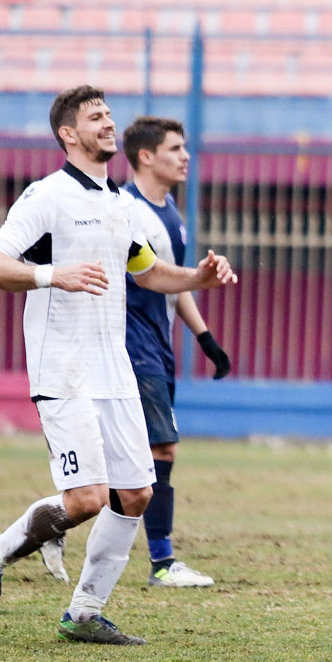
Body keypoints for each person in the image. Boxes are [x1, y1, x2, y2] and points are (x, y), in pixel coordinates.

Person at [0, 85, 237, 645]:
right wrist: (50, 274)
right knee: (87, 498)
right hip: (63, 369)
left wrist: (198, 279)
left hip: (115, 372)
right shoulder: (47, 196)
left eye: (110, 114)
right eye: (96, 117)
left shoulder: (118, 204)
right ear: (69, 134)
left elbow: (149, 272)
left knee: (137, 493)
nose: (109, 123)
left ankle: (84, 613)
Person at [121, 116, 230, 589]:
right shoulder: (127, 211)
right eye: (175, 148)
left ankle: (57, 519)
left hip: (157, 347)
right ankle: (163, 562)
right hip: (132, 345)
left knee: (127, 458)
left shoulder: (169, 213)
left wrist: (206, 339)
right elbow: (156, 276)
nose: (186, 156)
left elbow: (172, 281)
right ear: (146, 156)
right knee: (159, 449)